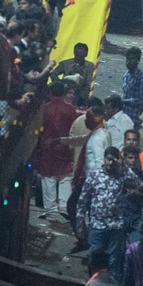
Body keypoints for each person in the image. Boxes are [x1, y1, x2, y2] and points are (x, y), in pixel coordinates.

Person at [79, 146, 142, 283]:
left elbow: (138, 183)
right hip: (97, 225)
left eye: (113, 160)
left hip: (116, 227)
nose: (110, 163)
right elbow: (83, 200)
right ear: (104, 159)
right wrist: (80, 224)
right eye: (108, 159)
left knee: (115, 262)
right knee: (95, 259)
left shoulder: (122, 175)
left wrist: (124, 167)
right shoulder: (94, 176)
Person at [36, 82, 80, 218]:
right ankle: (63, 206)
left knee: (48, 177)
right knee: (65, 176)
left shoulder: (45, 109)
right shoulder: (70, 109)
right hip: (65, 148)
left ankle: (51, 208)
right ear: (63, 93)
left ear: (50, 93)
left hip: (48, 148)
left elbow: (39, 129)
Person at [120, 46, 143, 122]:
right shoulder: (126, 75)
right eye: (128, 59)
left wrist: (124, 101)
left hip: (135, 117)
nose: (129, 62)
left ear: (137, 61)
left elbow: (141, 100)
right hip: (124, 116)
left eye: (132, 59)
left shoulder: (141, 78)